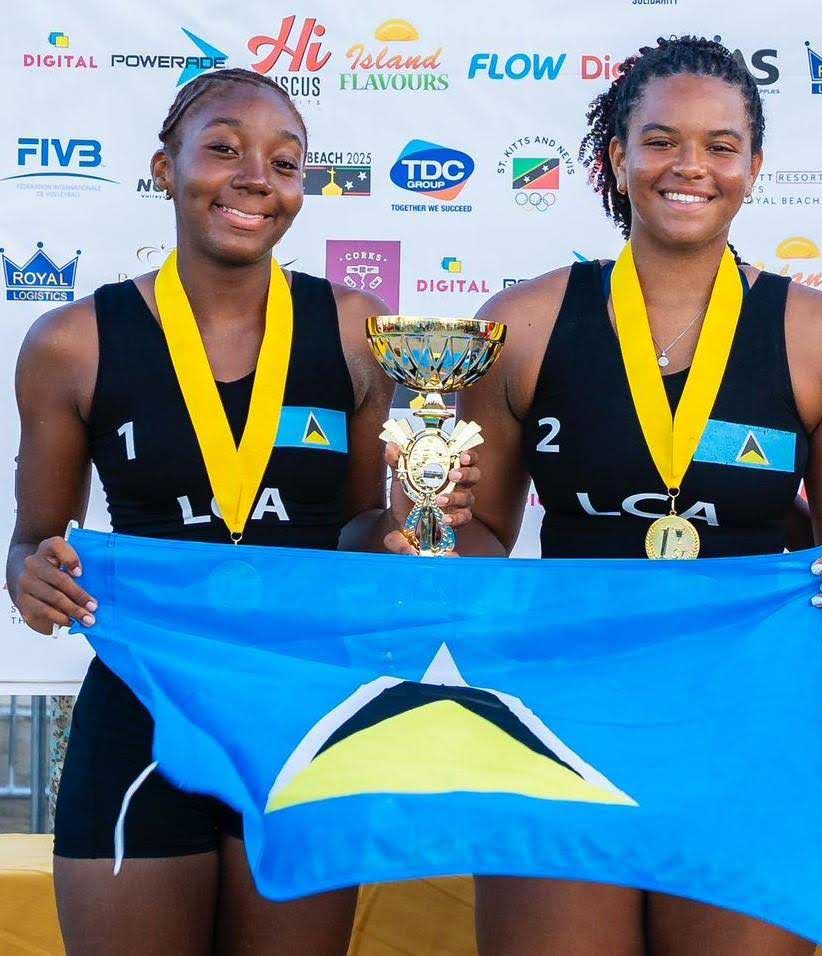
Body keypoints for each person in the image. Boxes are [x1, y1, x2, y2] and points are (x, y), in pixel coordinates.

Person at [5, 68, 477, 956]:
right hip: (146, 709)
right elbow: (37, 539)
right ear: (165, 168)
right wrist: (32, 575)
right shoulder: (73, 341)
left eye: (284, 162)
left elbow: (355, 530)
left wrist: (400, 532)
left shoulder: (355, 329)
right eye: (223, 149)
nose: (256, 178)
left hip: (303, 709)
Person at [444, 35, 822, 956]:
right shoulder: (520, 325)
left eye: (721, 146)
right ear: (617, 157)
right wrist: (432, 540)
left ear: (754, 168)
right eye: (660, 141)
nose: (691, 166)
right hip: (556, 718)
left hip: (745, 727)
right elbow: (479, 531)